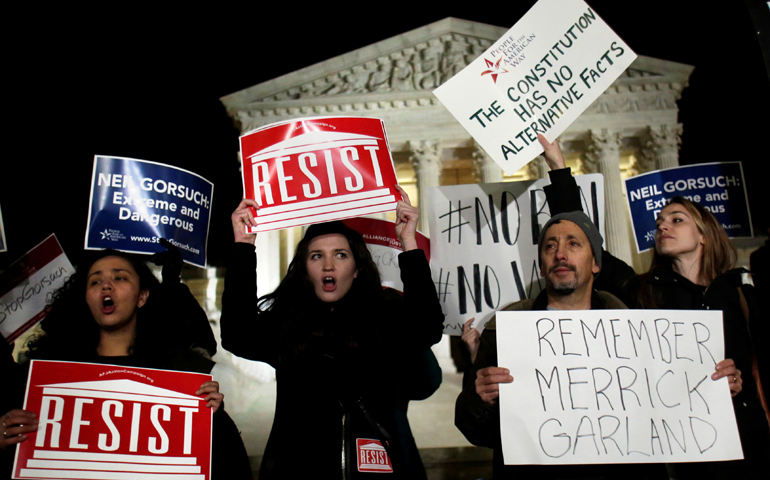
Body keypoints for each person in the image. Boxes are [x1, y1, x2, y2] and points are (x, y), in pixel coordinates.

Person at [538, 135, 769, 479]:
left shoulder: (741, 295)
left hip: (744, 445)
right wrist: (558, 170)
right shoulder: (642, 292)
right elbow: (582, 241)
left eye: (676, 220)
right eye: (660, 221)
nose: (662, 225)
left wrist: (739, 384)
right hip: (677, 454)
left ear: (704, 233)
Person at [221, 186, 444, 479]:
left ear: (356, 269)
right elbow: (237, 334)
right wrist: (243, 246)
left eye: (340, 255)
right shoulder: (288, 329)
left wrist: (408, 243)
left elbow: (426, 326)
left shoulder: (384, 323)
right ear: (305, 269)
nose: (328, 265)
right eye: (316, 256)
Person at [0, 249, 252, 479]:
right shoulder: (50, 375)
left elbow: (224, 463)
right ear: (86, 299)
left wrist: (213, 418)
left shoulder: (176, 373)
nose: (106, 285)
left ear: (142, 296)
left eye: (119, 278)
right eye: (95, 281)